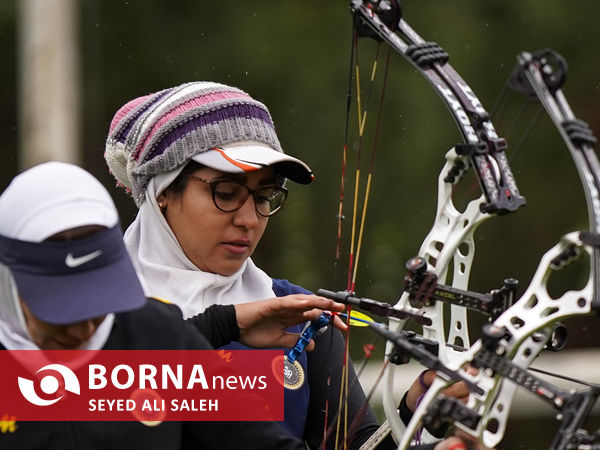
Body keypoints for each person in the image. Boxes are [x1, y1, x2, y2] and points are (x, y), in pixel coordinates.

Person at [103, 81, 489, 450]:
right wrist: (227, 324)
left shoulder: (293, 312)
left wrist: (415, 409)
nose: (249, 219)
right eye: (226, 193)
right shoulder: (90, 310)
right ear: (163, 192)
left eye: (265, 196)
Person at [0, 161, 348, 449]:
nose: (83, 329)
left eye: (99, 304)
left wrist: (405, 412)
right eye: (57, 313)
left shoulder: (154, 331)